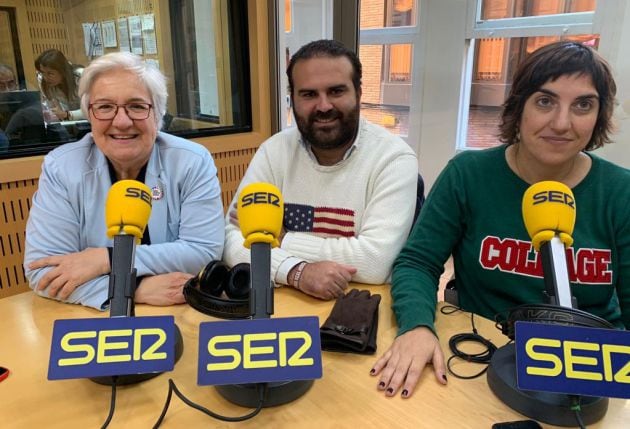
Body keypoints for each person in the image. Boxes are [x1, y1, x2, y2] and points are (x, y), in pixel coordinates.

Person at [371, 40, 630, 399]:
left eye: (583, 105)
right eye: (545, 101)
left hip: (594, 366)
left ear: (599, 115)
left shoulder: (621, 191)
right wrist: (416, 326)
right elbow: (418, 261)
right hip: (485, 356)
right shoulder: (468, 174)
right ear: (518, 106)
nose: (561, 122)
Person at [24, 52, 225, 309]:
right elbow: (44, 273)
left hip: (181, 313)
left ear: (158, 115)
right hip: (94, 320)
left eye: (137, 106)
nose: (121, 121)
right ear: (89, 114)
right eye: (105, 107)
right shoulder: (61, 168)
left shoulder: (192, 161)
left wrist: (106, 259)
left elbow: (203, 253)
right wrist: (133, 289)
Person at [223, 39, 418, 300]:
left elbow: (374, 262)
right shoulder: (274, 151)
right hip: (285, 298)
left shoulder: (394, 158)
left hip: (356, 309)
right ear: (293, 99)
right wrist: (297, 271)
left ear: (358, 93)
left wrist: (283, 239)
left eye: (336, 91)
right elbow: (231, 239)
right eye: (309, 94)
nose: (324, 106)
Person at [35, 49, 83, 121]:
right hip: (69, 123)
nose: (45, 78)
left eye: (50, 73)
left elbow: (95, 110)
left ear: (62, 71)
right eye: (43, 72)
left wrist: (67, 115)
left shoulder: (81, 77)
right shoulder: (42, 80)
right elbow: (55, 112)